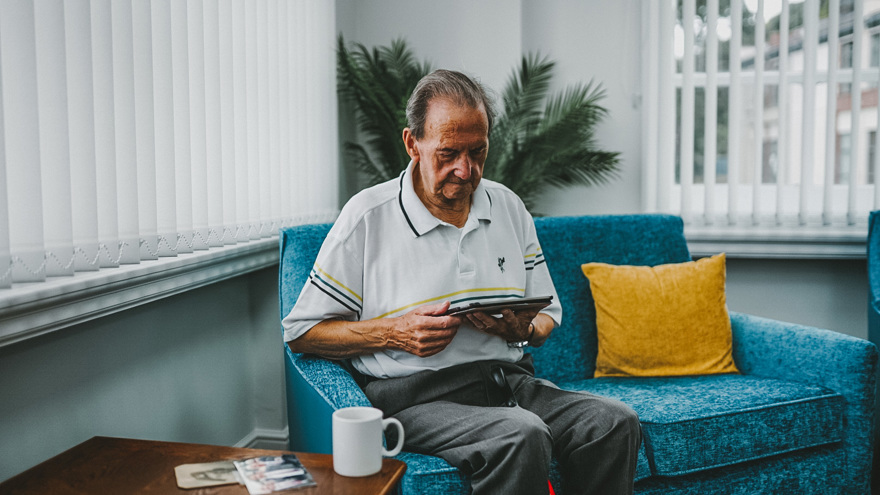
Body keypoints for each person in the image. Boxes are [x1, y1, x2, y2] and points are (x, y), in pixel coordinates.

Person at [283, 69, 641, 494]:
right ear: (412, 143)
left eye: (478, 151)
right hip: (415, 398)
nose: (465, 170)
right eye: (448, 152)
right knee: (520, 434)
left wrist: (524, 328)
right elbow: (301, 333)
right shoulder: (367, 216)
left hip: (510, 382)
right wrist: (394, 333)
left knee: (614, 421)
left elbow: (546, 315)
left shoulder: (508, 206)